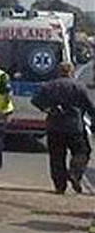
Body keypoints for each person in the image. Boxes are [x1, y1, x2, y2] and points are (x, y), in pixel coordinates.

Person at [30, 61, 93, 194]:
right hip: (74, 126)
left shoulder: (50, 86)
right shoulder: (78, 86)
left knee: (57, 157)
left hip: (54, 126)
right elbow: (89, 107)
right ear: (71, 72)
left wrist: (48, 109)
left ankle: (60, 185)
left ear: (59, 71)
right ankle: (75, 173)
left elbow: (35, 101)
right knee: (82, 151)